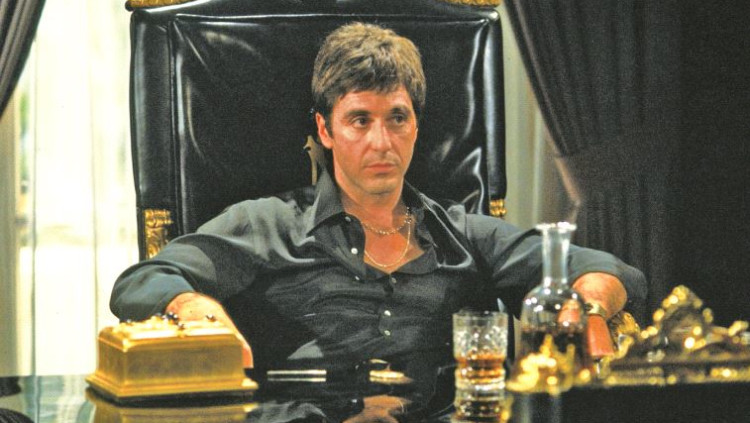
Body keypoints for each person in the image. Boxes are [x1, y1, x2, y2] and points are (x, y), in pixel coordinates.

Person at [111, 22, 646, 421]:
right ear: (325, 130)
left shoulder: (462, 232)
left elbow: (605, 269)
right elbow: (142, 281)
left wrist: (589, 308)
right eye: (359, 120)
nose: (381, 142)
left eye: (397, 118)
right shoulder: (267, 223)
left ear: (416, 126)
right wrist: (196, 307)